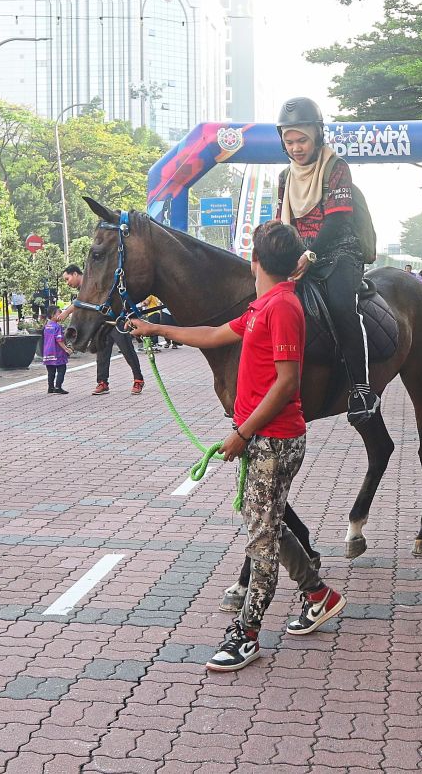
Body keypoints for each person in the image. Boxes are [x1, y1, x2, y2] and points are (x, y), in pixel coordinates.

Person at [129, 221, 345, 672]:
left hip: (275, 439)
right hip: (260, 439)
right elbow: (212, 335)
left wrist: (242, 433)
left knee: (261, 538)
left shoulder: (283, 307)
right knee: (266, 522)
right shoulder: (262, 304)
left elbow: (287, 383)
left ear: (255, 261)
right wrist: (157, 330)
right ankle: (318, 594)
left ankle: (246, 634)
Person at [274, 96, 378, 425]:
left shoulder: (337, 167)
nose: (296, 147)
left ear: (318, 135)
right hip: (298, 253)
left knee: (340, 306)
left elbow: (336, 221)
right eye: (289, 141)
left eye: (302, 139)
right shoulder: (283, 178)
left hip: (338, 252)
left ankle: (361, 388)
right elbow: (281, 222)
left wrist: (311, 253)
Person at [61, 264, 146, 396]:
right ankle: (102, 383)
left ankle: (138, 379)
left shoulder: (93, 281)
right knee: (102, 354)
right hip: (101, 324)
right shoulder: (83, 289)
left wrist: (66, 312)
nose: (67, 283)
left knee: (127, 350)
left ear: (75, 274)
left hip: (117, 319)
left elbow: (80, 301)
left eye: (67, 279)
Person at [42, 305, 71, 394]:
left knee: (51, 371)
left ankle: (50, 387)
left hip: (47, 353)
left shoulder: (47, 326)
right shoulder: (57, 327)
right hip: (57, 352)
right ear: (53, 315)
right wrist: (66, 349)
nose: (61, 315)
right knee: (62, 369)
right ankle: (58, 386)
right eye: (59, 313)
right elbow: (59, 340)